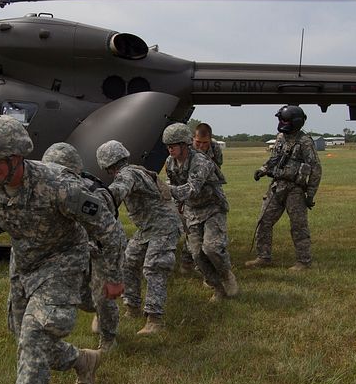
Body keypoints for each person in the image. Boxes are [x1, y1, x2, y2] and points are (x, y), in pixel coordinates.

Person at [0, 116, 126, 384]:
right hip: (23, 265)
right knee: (23, 336)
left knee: (36, 335)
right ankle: (83, 360)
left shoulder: (59, 186)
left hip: (64, 261)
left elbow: (108, 229)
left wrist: (112, 276)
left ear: (17, 157)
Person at [42, 142, 122, 352]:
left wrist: (113, 277)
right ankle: (99, 311)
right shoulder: (49, 190)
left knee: (102, 296)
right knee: (80, 296)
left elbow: (111, 233)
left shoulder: (93, 192)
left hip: (102, 246)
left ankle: (108, 340)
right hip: (78, 248)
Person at [97, 139, 181, 335]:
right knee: (129, 261)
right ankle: (132, 307)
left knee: (154, 266)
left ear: (107, 165)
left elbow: (117, 192)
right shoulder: (134, 170)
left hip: (163, 225)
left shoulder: (127, 174)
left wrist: (95, 203)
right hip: (148, 228)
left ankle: (154, 320)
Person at [162, 123, 238, 303]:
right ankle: (217, 288)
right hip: (192, 210)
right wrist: (177, 203)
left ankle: (227, 275)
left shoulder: (200, 161)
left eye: (173, 145)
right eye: (167, 146)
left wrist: (164, 189)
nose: (170, 149)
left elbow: (191, 189)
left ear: (185, 144)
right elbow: (174, 184)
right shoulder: (169, 162)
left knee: (211, 248)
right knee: (197, 254)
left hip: (213, 208)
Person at [246, 105, 322, 271]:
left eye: (284, 120)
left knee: (298, 226)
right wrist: (262, 170)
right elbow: (274, 159)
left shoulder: (305, 142)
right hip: (276, 187)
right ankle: (263, 257)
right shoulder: (280, 137)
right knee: (264, 221)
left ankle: (304, 261)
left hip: (295, 189)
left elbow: (315, 168)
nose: (281, 123)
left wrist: (310, 194)